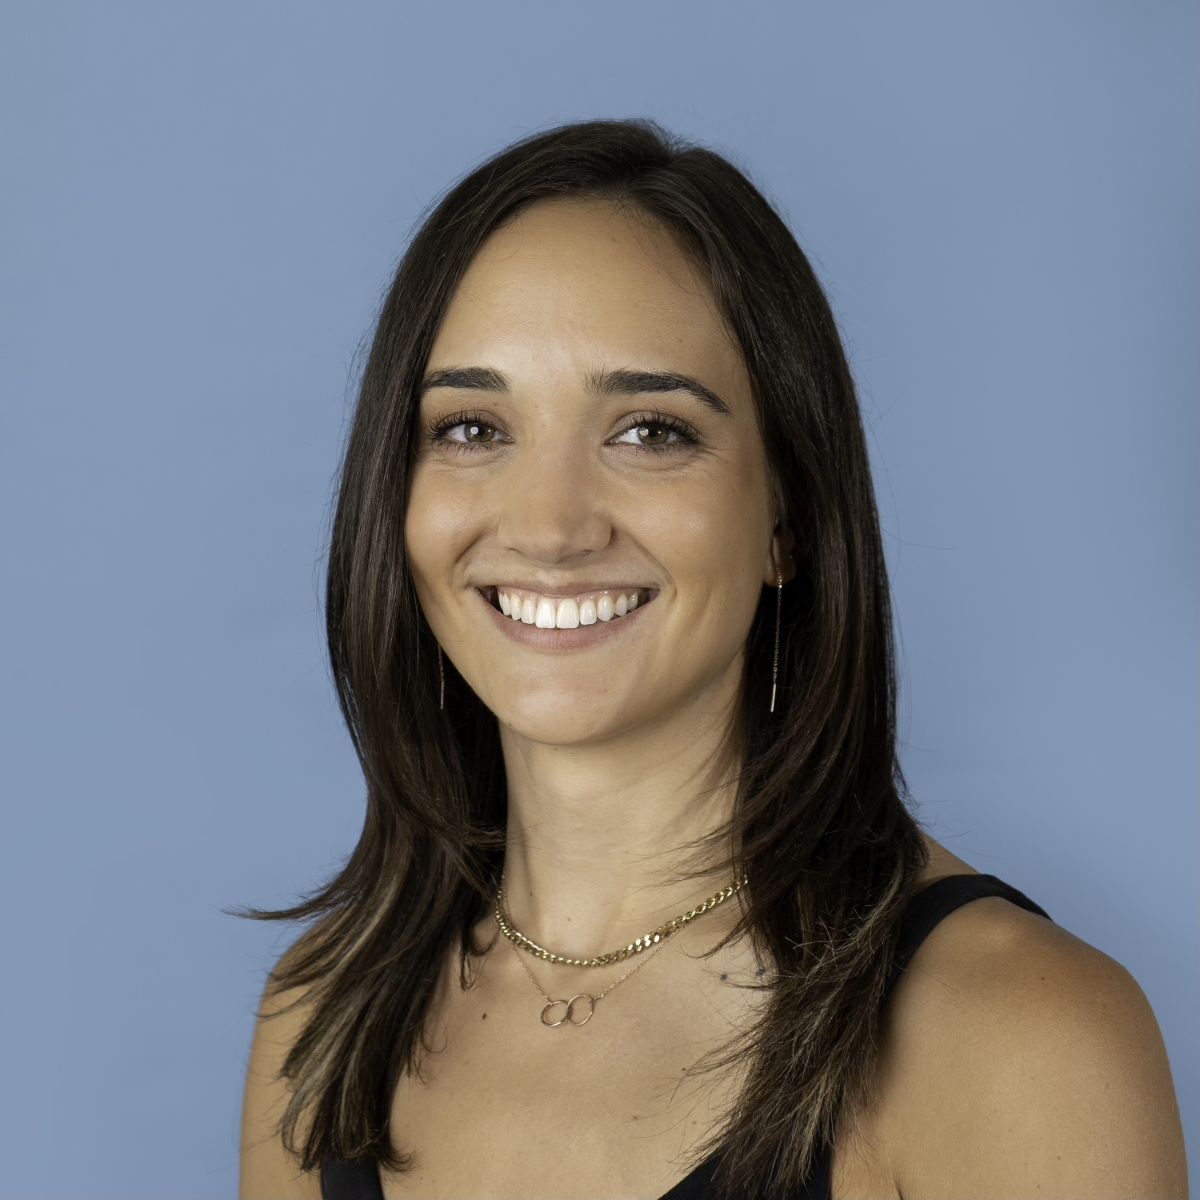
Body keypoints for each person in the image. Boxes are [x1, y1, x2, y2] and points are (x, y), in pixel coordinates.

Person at [238, 119, 1187, 1200]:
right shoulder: (320, 1016)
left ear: (789, 515)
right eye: (471, 428)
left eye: (650, 431)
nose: (548, 526)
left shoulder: (1019, 1035)